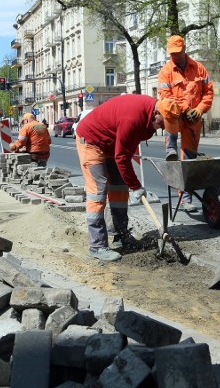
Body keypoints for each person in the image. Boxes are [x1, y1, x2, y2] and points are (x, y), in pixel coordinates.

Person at [75, 94, 179, 262]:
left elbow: (124, 152)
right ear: (156, 114)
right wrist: (136, 186)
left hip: (111, 143)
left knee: (120, 189)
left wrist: (130, 184)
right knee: (98, 193)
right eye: (162, 123)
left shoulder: (150, 114)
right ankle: (97, 245)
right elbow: (122, 157)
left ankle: (120, 235)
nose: (161, 128)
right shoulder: (133, 118)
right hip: (91, 141)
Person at [157, 34, 214, 212]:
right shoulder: (166, 72)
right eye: (171, 53)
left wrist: (199, 109)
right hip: (175, 116)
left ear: (184, 50)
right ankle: (171, 148)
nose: (174, 56)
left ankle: (186, 197)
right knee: (166, 107)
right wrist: (184, 108)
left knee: (189, 159)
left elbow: (208, 93)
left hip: (193, 119)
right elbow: (165, 96)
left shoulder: (199, 69)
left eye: (177, 52)